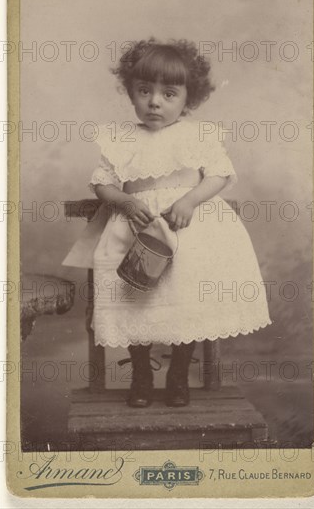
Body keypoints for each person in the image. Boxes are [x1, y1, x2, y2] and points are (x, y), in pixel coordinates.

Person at [63, 38, 272, 409]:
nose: (155, 101)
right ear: (131, 93)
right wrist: (126, 201)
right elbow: (101, 183)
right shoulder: (121, 137)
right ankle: (141, 374)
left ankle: (178, 374)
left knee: (185, 295)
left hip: (185, 229)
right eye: (144, 91)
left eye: (168, 93)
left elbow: (220, 175)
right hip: (136, 231)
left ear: (187, 99)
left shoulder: (198, 135)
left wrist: (190, 200)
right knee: (132, 296)